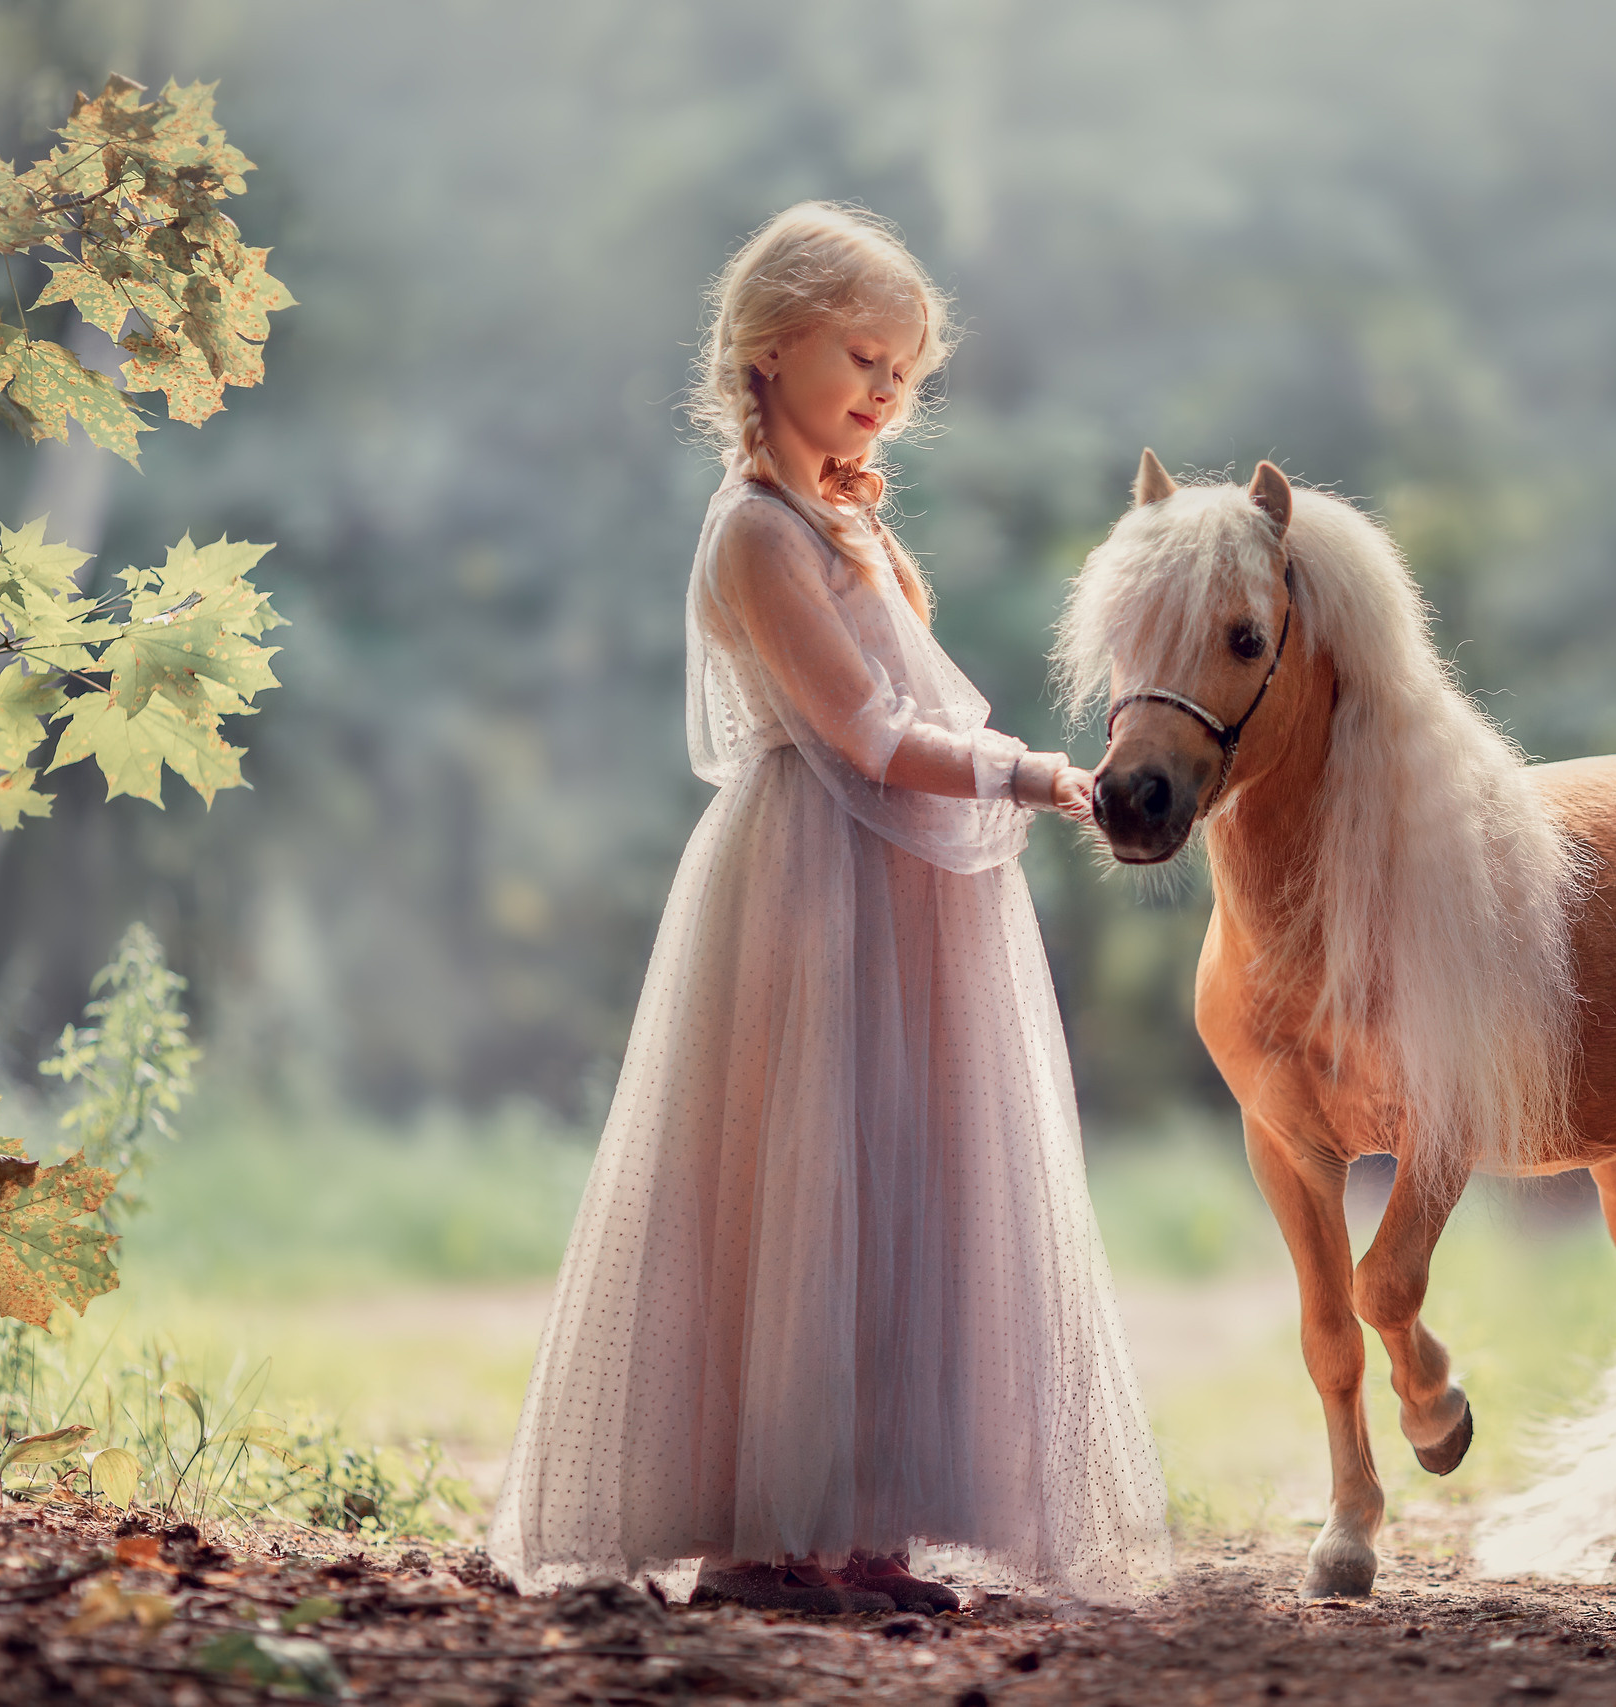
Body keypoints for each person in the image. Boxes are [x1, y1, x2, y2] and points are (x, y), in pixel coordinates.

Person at [486, 203, 1168, 1614]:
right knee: (800, 1179)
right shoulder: (755, 531)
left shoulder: (849, 524)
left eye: (903, 374)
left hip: (897, 874)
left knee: (895, 1172)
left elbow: (903, 711)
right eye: (862, 356)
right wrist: (1037, 775)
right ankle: (766, 1534)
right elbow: (862, 731)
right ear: (771, 342)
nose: (884, 390)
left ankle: (863, 1526)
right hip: (810, 875)